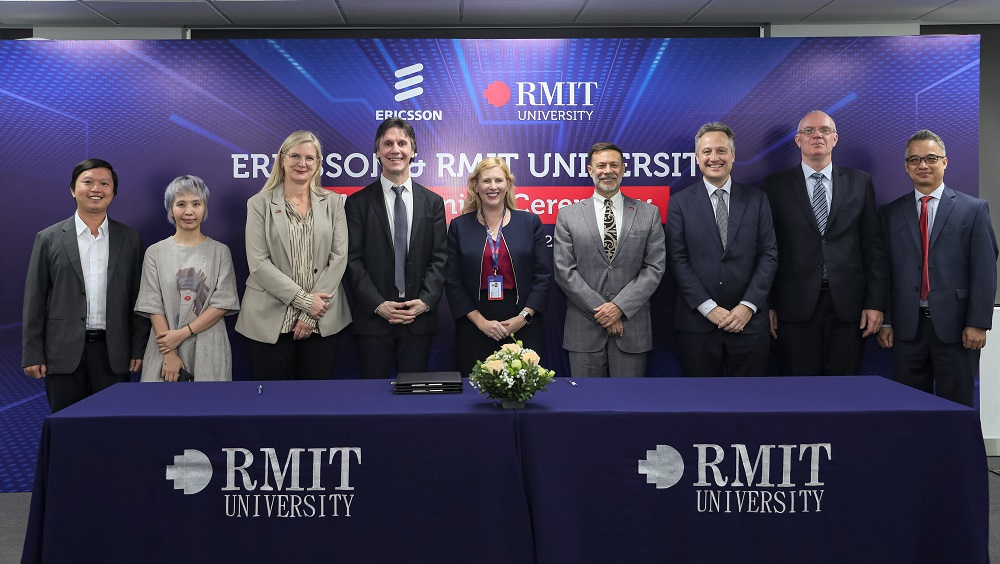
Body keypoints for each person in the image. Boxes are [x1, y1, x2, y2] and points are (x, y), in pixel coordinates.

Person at [876, 130, 998, 406]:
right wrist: (886, 320)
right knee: (907, 408)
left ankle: (954, 452)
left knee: (956, 407)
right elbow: (882, 271)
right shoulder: (890, 213)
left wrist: (978, 323)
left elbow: (985, 270)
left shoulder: (974, 209)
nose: (923, 165)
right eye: (915, 159)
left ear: (945, 162)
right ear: (906, 166)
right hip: (907, 330)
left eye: (931, 158)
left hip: (957, 330)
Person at [763, 110, 887, 376]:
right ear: (798, 140)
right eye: (808, 131)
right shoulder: (774, 186)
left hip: (849, 307)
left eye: (824, 130)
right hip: (793, 306)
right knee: (798, 392)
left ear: (835, 139)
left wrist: (875, 303)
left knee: (844, 393)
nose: (816, 135)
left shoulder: (860, 182)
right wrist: (768, 305)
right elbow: (767, 250)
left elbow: (873, 247)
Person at [22, 159, 149, 412]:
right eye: (88, 182)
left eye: (105, 183)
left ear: (113, 192)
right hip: (62, 352)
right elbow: (34, 298)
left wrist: (138, 348)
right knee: (67, 425)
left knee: (111, 425)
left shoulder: (130, 238)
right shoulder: (48, 238)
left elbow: (139, 296)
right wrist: (32, 353)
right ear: (72, 189)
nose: (96, 189)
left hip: (113, 352)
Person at [235, 131, 352, 380]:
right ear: (282, 160)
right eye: (295, 156)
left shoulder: (333, 203)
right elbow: (258, 263)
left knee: (316, 405)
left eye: (309, 158)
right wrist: (305, 302)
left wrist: (310, 312)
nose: (302, 163)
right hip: (268, 320)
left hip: (321, 319)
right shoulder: (259, 204)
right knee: (270, 404)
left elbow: (339, 258)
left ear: (319, 164)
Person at [666, 123, 778, 377]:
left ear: (733, 156)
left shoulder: (757, 199)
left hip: (748, 323)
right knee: (701, 406)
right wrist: (708, 308)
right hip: (698, 325)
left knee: (750, 405)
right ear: (697, 158)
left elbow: (768, 255)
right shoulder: (680, 203)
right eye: (707, 152)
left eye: (721, 151)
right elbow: (677, 259)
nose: (714, 158)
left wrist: (747, 306)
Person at [345, 117, 447, 379]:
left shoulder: (433, 202)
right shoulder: (357, 203)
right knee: (372, 399)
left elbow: (440, 258)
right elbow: (352, 261)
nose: (395, 149)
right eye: (387, 143)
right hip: (373, 321)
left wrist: (425, 302)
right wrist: (378, 305)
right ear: (377, 152)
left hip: (418, 319)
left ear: (413, 152)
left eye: (402, 143)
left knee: (415, 402)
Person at [553, 142, 666, 378]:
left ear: (623, 169)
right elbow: (564, 271)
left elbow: (654, 268)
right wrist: (604, 312)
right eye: (601, 165)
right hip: (584, 330)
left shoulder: (648, 213)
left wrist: (619, 308)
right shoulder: (568, 215)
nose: (608, 171)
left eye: (614, 165)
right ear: (590, 170)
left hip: (631, 328)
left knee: (630, 407)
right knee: (584, 407)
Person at [445, 157, 552, 375]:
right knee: (475, 393)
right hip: (475, 324)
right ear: (475, 185)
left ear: (508, 185)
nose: (493, 187)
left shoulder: (530, 223)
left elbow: (543, 276)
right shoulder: (459, 226)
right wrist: (481, 322)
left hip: (522, 323)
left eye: (498, 180)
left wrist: (523, 318)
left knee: (522, 393)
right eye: (486, 181)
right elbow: (453, 281)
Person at [134, 175, 240, 382]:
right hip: (164, 347)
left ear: (204, 208)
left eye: (196, 204)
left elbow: (223, 303)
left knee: (209, 409)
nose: (189, 211)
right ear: (171, 210)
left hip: (208, 347)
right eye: (181, 204)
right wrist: (170, 353)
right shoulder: (155, 252)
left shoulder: (220, 252)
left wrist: (182, 334)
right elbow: (152, 304)